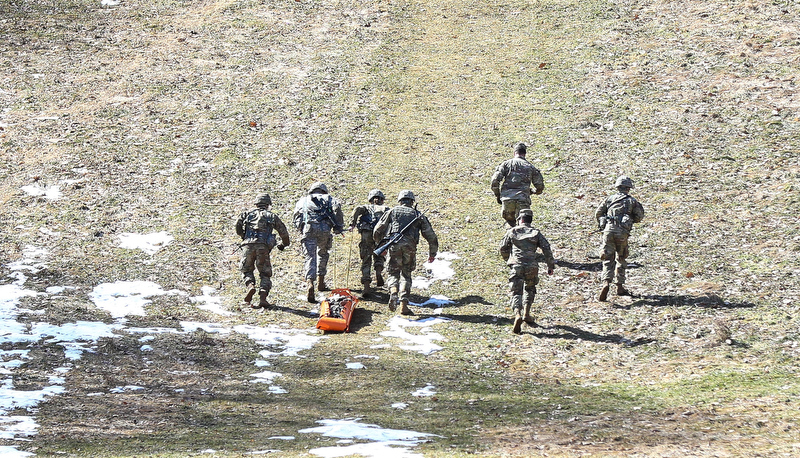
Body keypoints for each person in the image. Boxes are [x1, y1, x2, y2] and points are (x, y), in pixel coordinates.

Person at [373, 190, 438, 316]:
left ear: (400, 200)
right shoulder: (418, 214)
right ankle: (403, 305)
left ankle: (393, 291)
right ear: (412, 201)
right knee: (406, 274)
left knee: (392, 272)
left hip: (393, 246)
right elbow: (431, 236)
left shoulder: (392, 211)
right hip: (410, 247)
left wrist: (381, 245)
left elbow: (377, 230)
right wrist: (432, 253)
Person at [499, 208, 555, 334]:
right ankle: (526, 313)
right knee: (530, 288)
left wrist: (508, 260)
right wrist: (550, 265)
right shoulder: (536, 233)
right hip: (532, 266)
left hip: (516, 265)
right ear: (530, 220)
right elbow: (547, 249)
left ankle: (517, 313)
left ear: (520, 219)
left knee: (516, 291)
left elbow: (503, 248)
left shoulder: (512, 231)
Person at [594, 175, 645, 301]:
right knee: (621, 258)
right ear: (629, 188)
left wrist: (603, 223)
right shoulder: (632, 201)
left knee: (607, 258)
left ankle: (606, 282)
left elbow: (598, 213)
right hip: (622, 233)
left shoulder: (609, 199)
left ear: (617, 187)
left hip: (608, 231)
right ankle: (619, 286)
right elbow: (639, 216)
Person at [235, 193, 291, 309]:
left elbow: (237, 225)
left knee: (246, 269)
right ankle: (263, 298)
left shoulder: (247, 214)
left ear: (256, 203)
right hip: (263, 247)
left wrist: (243, 236)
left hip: (248, 245)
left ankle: (250, 285)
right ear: (268, 204)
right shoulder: (271, 216)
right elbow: (283, 232)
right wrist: (284, 244)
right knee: (265, 273)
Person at [292, 182, 345, 303]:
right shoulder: (330, 198)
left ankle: (310, 282)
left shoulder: (303, 200)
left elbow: (296, 216)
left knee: (310, 257)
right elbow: (337, 210)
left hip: (309, 229)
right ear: (324, 191)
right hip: (325, 229)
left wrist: (301, 228)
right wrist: (338, 227)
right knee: (323, 253)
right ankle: (321, 282)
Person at [490, 142, 545, 228]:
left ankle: (509, 239)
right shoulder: (530, 167)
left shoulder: (506, 164)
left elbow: (494, 181)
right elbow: (540, 186)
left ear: (515, 153)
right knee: (523, 226)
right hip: (523, 200)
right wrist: (534, 191)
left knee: (510, 224)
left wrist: (498, 195)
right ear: (525, 154)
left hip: (507, 199)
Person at [348, 189, 389, 297]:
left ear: (371, 199)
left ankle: (366, 285)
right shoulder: (386, 209)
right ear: (382, 200)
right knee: (379, 255)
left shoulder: (366, 208)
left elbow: (357, 209)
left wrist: (352, 223)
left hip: (367, 233)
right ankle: (378, 272)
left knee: (366, 258)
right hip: (381, 235)